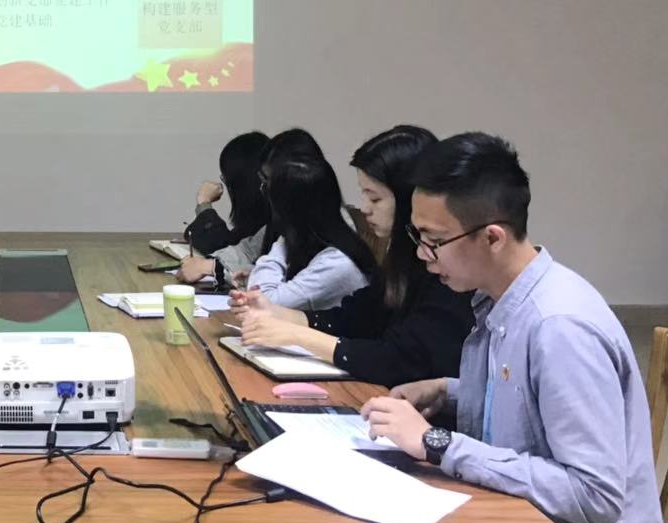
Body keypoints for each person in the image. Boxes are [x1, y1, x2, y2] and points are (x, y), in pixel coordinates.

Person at [361, 133, 668, 523]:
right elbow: (531, 406)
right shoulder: (502, 299)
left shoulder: (559, 327)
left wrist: (438, 443)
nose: (421, 254)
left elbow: (595, 495)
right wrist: (450, 391)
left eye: (433, 240)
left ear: (492, 237)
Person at [230, 125, 473, 387]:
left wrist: (296, 335)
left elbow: (399, 358)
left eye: (375, 199)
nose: (365, 209)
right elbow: (358, 316)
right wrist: (277, 313)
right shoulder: (403, 260)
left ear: (408, 200)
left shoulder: (447, 269)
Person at [235, 155, 375, 311]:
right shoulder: (323, 242)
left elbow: (264, 302)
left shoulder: (336, 264)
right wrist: (257, 275)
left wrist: (284, 237)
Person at [177, 131, 270, 285]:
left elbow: (221, 244)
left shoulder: (282, 215)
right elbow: (244, 250)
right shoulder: (266, 223)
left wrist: (204, 203)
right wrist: (212, 265)